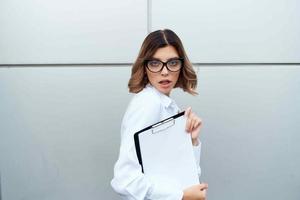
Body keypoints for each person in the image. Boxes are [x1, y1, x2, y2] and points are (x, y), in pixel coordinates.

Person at [111, 29, 208, 200]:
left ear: (181, 65)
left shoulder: (167, 105)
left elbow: (178, 173)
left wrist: (191, 141)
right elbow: (125, 179)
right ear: (145, 66)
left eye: (172, 63)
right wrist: (181, 196)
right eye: (155, 63)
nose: (164, 72)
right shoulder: (148, 104)